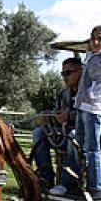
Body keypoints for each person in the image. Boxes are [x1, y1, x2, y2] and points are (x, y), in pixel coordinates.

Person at [50, 25, 101, 201]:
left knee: (93, 149)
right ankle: (69, 183)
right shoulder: (92, 55)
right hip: (82, 106)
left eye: (100, 39)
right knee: (76, 144)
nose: (95, 42)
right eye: (93, 38)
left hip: (94, 108)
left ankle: (97, 189)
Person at [31, 57, 82, 188]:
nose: (65, 77)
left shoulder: (88, 93)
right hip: (63, 134)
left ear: (80, 72)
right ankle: (45, 177)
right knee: (38, 133)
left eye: (68, 73)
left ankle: (68, 183)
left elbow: (91, 115)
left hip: (83, 135)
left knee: (73, 134)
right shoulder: (63, 94)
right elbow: (57, 112)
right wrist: (48, 116)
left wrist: (69, 117)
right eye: (63, 73)